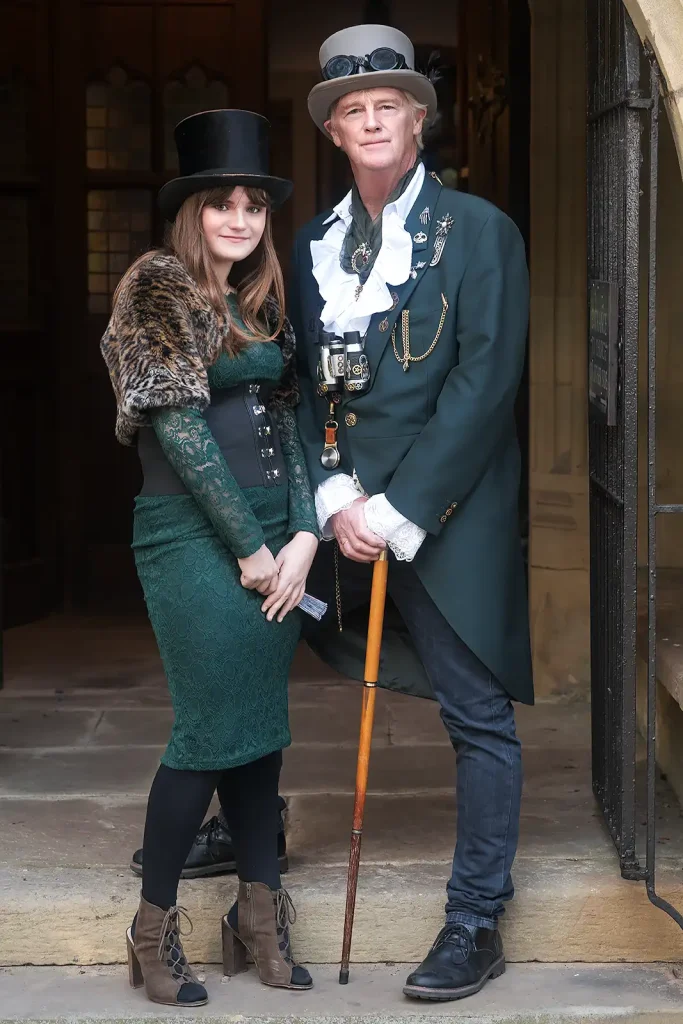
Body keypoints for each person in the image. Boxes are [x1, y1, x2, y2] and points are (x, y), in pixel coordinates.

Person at [290, 25, 533, 1003]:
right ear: (334, 133)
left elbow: (484, 384)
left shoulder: (479, 231)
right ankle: (244, 848)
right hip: (347, 511)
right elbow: (308, 386)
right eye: (351, 111)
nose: (369, 122)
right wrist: (332, 492)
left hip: (447, 512)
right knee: (248, 644)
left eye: (386, 105)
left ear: (418, 119)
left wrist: (397, 508)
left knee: (476, 716)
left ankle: (475, 920)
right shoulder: (311, 244)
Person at [100, 109, 319, 1007]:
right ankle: (151, 930)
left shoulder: (262, 302)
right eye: (221, 204)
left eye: (252, 206)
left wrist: (303, 535)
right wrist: (254, 550)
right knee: (206, 731)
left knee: (259, 734)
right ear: (191, 213)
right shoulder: (157, 285)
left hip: (275, 536)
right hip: (191, 535)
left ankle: (256, 917)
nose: (239, 218)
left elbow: (293, 425)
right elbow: (182, 435)